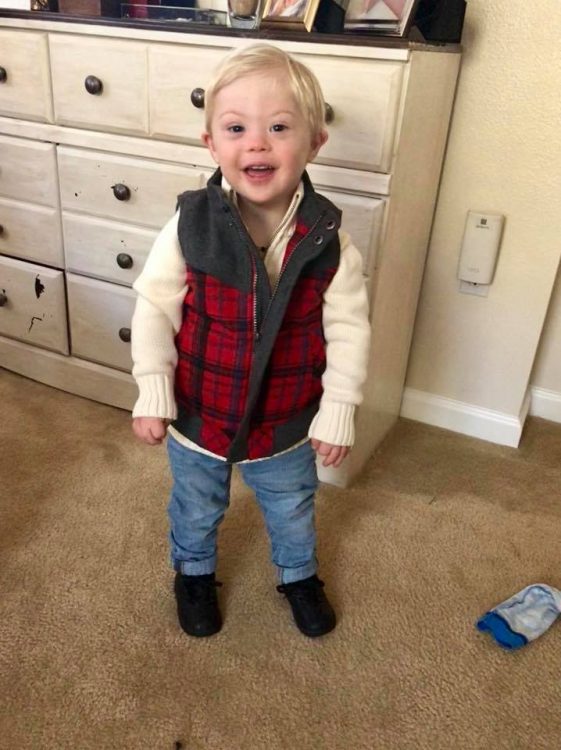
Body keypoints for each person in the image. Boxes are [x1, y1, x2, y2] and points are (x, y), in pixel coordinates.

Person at [130, 44, 370, 639]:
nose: (256, 144)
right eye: (236, 128)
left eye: (279, 128)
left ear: (315, 142)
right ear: (211, 143)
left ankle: (297, 574)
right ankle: (192, 572)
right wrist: (153, 388)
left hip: (287, 423)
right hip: (198, 411)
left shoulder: (330, 242)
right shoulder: (189, 225)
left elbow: (348, 331)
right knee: (195, 504)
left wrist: (338, 409)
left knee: (292, 506)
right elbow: (155, 306)